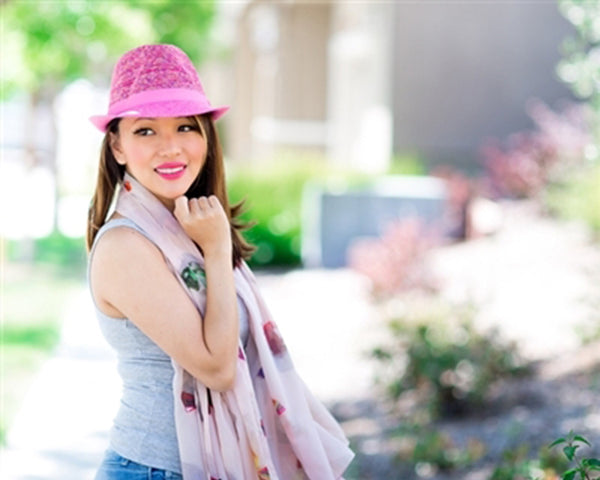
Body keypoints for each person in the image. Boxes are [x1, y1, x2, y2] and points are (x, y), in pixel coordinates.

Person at [87, 44, 353, 480]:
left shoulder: (185, 225)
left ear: (207, 138)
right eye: (145, 131)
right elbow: (216, 367)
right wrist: (215, 249)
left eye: (186, 127)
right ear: (116, 146)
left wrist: (212, 243)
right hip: (154, 469)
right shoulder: (126, 246)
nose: (170, 148)